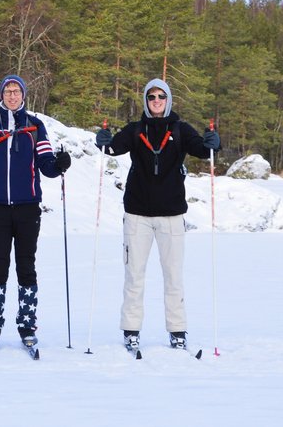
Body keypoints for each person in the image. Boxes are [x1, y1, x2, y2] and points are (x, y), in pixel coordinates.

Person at [94, 78, 220, 351]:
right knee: (134, 275)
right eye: (151, 97)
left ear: (168, 99)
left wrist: (213, 143)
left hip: (172, 215)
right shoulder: (136, 129)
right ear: (146, 101)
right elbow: (114, 147)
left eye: (161, 96)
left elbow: (202, 149)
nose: (156, 101)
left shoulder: (180, 129)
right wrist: (103, 141)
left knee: (173, 276)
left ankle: (177, 331)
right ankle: (131, 330)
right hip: (137, 215)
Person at [0, 75, 71, 348]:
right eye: (7, 91)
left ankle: (27, 325)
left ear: (23, 95)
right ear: (1, 95)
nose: (11, 95)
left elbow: (46, 164)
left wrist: (60, 164)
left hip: (27, 206)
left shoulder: (35, 126)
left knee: (26, 266)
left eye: (16, 91)